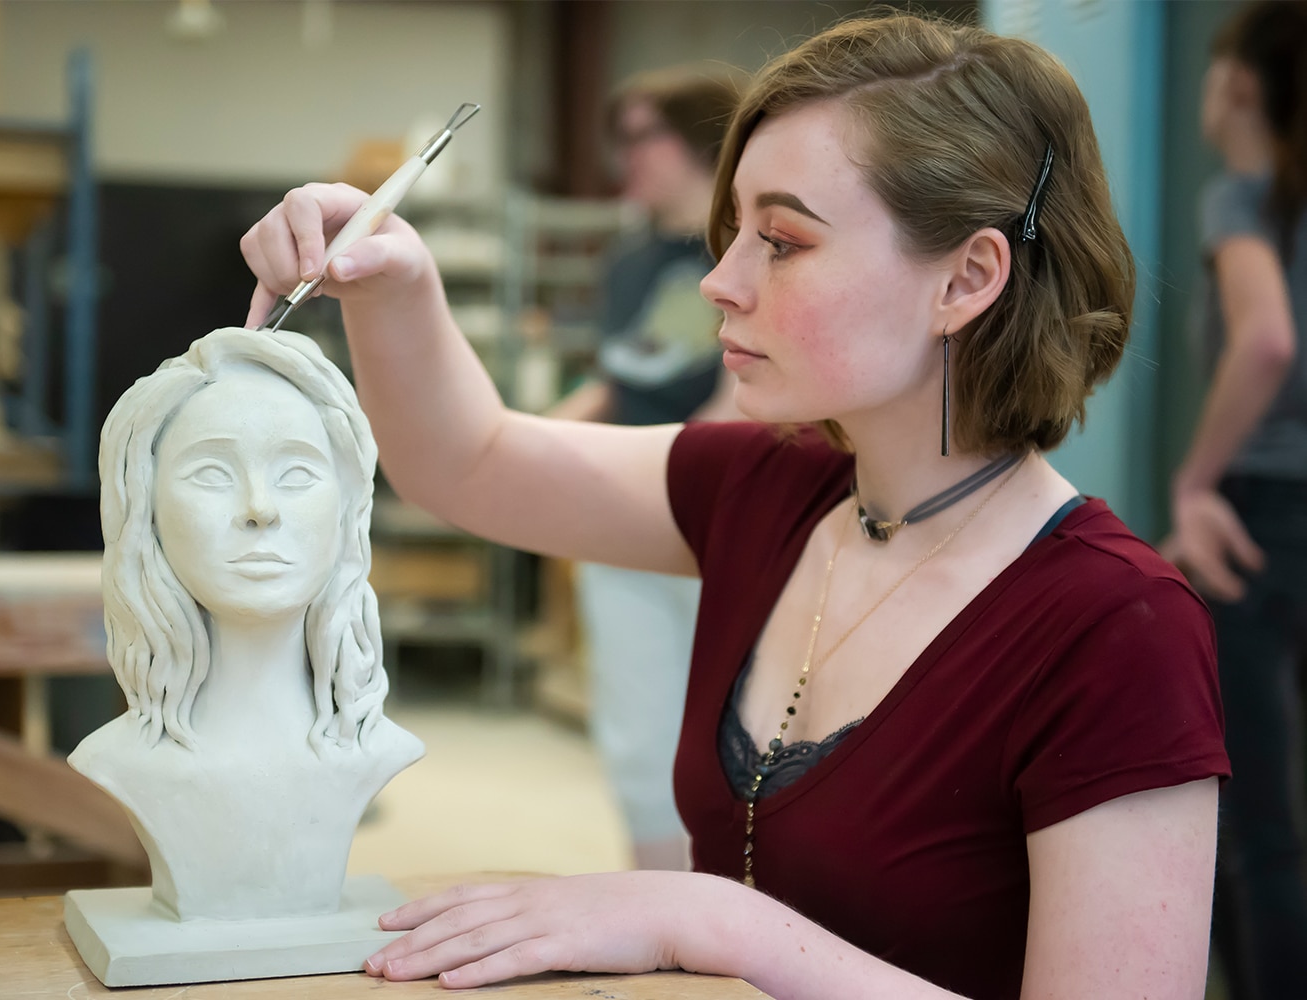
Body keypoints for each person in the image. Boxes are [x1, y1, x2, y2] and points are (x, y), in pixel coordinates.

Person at [241, 13, 1227, 999]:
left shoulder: (1116, 627)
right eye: (734, 233)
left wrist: (705, 915)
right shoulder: (768, 487)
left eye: (783, 241)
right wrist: (393, 281)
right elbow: (470, 462)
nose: (720, 281)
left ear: (966, 279)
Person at [72, 327, 422, 920]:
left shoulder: (372, 747)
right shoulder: (121, 760)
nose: (261, 508)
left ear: (346, 508)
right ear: (144, 509)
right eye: (212, 473)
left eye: (297, 474)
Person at [546, 65, 740, 872]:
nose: (624, 155)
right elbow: (618, 380)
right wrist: (521, 447)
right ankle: (660, 896)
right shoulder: (626, 264)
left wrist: (669, 475)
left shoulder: (746, 246)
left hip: (717, 508)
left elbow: (745, 396)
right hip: (626, 510)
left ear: (696, 140)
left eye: (641, 136)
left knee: (735, 725)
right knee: (636, 724)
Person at [1161, 3, 1307, 997]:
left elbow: (1265, 339)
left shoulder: (1244, 201)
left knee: (1257, 823)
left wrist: (1195, 479)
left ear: (1241, 88)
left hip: (1261, 517)